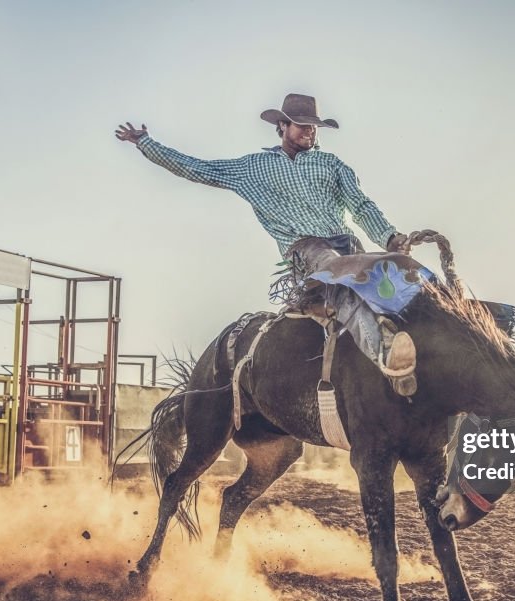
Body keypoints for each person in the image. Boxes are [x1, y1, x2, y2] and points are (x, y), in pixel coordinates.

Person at [115, 93, 421, 396]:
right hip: (307, 250)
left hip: (347, 247)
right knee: (340, 281)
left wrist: (390, 238)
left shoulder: (332, 165)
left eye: (313, 126)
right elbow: (198, 168)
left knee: (400, 281)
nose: (309, 131)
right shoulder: (254, 168)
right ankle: (387, 356)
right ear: (283, 126)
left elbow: (361, 206)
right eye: (301, 125)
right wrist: (146, 143)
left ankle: (425, 350)